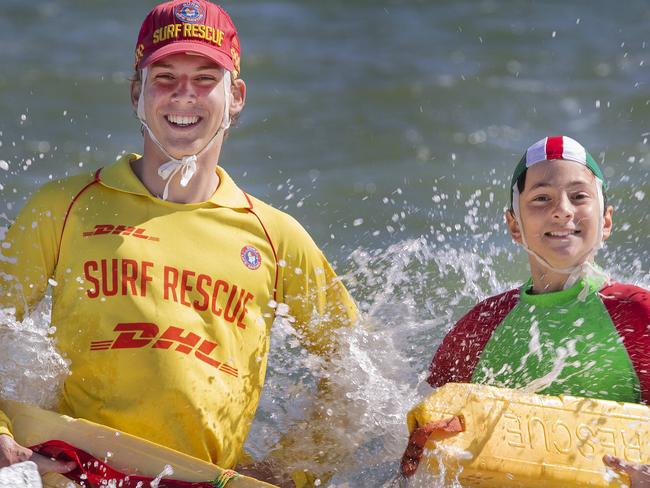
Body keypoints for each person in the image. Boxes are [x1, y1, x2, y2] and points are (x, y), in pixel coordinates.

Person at [0, 1, 357, 486]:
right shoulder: (62, 208)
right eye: (164, 76)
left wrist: (289, 469)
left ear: (237, 97)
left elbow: (354, 372)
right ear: (136, 94)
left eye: (206, 79)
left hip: (204, 478)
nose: (183, 95)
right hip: (76, 471)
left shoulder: (276, 238)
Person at [427, 135, 650, 484]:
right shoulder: (479, 327)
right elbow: (420, 445)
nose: (562, 210)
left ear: (606, 222)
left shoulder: (638, 316)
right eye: (541, 198)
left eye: (579, 196)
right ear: (515, 226)